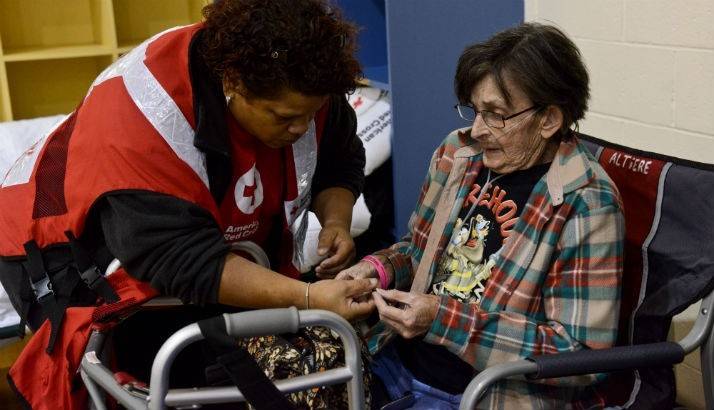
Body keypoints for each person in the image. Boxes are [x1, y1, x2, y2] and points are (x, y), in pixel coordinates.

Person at [0, 1, 377, 408]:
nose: (301, 128)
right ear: (233, 82)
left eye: (310, 114)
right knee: (148, 381)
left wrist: (335, 221)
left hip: (195, 245)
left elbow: (339, 157)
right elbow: (183, 262)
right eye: (283, 116)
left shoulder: (305, 82)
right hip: (63, 252)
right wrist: (307, 298)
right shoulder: (139, 120)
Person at [337, 23, 625, 409]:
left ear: (549, 120)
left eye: (496, 115)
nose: (477, 129)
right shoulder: (457, 154)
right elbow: (417, 251)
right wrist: (377, 270)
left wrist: (442, 320)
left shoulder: (586, 204)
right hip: (394, 359)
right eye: (475, 110)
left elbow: (578, 356)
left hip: (481, 395)